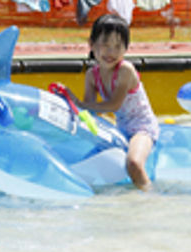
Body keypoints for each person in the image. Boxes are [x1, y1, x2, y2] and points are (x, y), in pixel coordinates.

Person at [57, 14, 159, 191]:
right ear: (92, 44)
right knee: (86, 164)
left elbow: (114, 105)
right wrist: (67, 101)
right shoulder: (91, 76)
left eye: (118, 46)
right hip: (120, 128)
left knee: (133, 163)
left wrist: (79, 103)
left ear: (125, 49)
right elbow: (90, 112)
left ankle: (151, 199)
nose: (111, 52)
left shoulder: (125, 70)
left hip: (142, 127)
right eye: (105, 44)